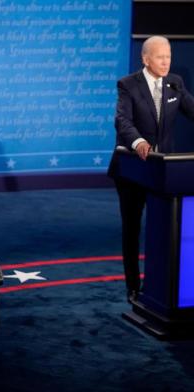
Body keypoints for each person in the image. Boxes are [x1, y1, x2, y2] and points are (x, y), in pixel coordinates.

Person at [108, 36, 194, 303]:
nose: (166, 61)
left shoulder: (175, 83)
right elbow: (122, 120)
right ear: (146, 59)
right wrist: (139, 141)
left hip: (163, 173)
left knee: (163, 228)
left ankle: (158, 285)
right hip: (132, 169)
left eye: (168, 56)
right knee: (132, 229)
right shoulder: (128, 85)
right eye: (160, 57)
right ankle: (133, 287)